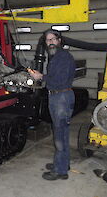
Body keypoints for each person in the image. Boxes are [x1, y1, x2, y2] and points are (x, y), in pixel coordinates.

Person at [28, 29, 76, 181]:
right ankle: (63, 163)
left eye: (53, 39)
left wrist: (40, 77)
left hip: (61, 97)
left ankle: (59, 171)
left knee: (59, 136)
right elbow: (56, 77)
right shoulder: (56, 57)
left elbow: (59, 80)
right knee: (63, 133)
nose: (50, 42)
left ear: (59, 40)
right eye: (48, 40)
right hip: (60, 96)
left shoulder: (63, 57)